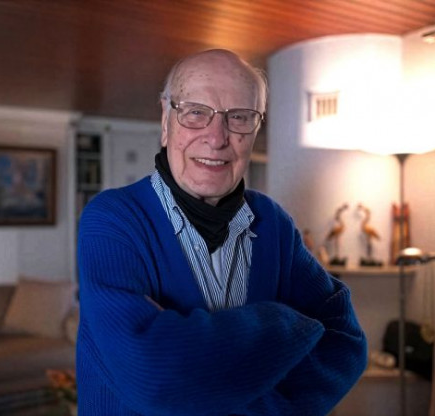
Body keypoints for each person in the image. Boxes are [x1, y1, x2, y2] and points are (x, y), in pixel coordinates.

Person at [76, 49, 367, 416]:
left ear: (255, 130)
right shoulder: (112, 219)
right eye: (196, 112)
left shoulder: (273, 223)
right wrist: (285, 322)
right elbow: (152, 376)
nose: (216, 138)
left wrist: (208, 371)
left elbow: (346, 340)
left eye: (239, 117)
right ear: (166, 120)